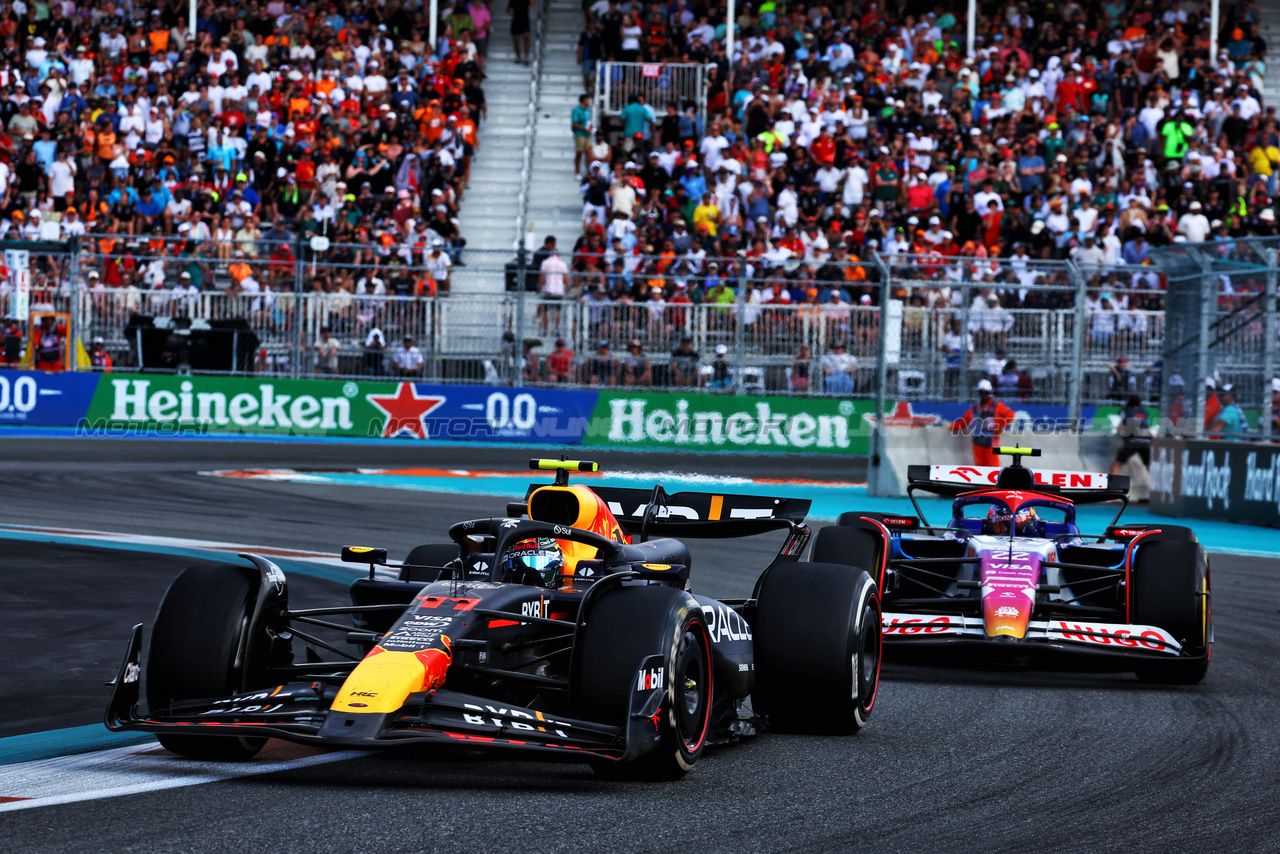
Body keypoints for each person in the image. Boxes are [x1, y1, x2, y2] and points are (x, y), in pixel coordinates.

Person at [950, 379, 1016, 467]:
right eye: (982, 392)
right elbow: (963, 423)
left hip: (991, 443)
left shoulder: (997, 406)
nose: (984, 395)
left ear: (989, 393)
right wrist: (951, 426)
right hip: (978, 443)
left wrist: (1000, 426)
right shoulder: (974, 409)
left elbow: (1010, 414)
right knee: (980, 468)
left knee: (993, 467)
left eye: (986, 393)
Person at [1111, 395, 1152, 475]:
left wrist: (1122, 436)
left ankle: (1110, 486)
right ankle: (1157, 485)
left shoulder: (1125, 410)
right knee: (1149, 466)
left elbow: (1119, 426)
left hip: (1132, 441)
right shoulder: (1145, 412)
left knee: (1116, 465)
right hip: (1146, 441)